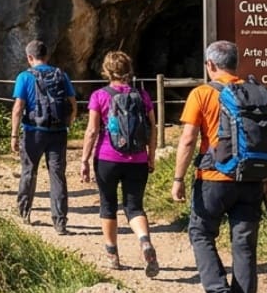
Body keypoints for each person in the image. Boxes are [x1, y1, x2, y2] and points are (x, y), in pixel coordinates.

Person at [171, 40, 267, 293]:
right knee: (244, 246)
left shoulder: (202, 93)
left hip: (213, 180)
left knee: (201, 233)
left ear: (210, 65)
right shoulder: (259, 93)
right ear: (236, 64)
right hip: (253, 180)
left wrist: (178, 178)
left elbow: (188, 139)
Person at [79, 51, 160, 276]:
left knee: (107, 205)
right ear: (129, 70)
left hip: (107, 158)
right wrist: (151, 155)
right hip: (138, 159)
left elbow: (93, 130)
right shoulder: (142, 96)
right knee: (134, 207)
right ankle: (144, 241)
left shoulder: (99, 96)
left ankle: (112, 255)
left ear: (106, 71)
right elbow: (152, 127)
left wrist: (84, 160)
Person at [10, 39, 77, 233]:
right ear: (47, 56)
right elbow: (73, 104)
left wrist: (14, 135)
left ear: (29, 57)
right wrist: (68, 123)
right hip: (58, 133)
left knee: (29, 171)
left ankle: (24, 212)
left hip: (33, 132)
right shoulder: (61, 75)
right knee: (57, 175)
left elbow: (18, 108)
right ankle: (60, 221)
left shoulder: (24, 77)